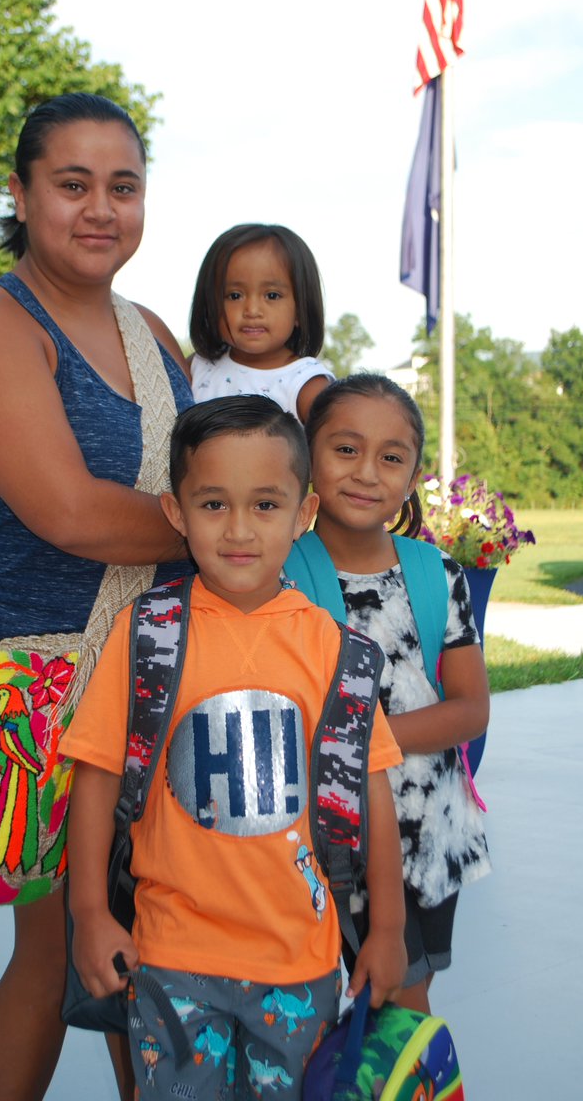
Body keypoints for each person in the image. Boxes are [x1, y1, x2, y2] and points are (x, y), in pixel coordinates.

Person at [0, 92, 194, 1101]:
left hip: (157, 681)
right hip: (41, 696)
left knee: (157, 946)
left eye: (121, 187)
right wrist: (236, 530)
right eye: (71, 183)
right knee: (52, 958)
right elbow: (71, 515)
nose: (100, 208)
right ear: (22, 191)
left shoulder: (151, 330)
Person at [61, 396, 408, 1100]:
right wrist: (91, 914)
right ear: (175, 513)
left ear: (303, 514)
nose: (240, 530)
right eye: (213, 505)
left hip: (301, 965)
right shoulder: (149, 633)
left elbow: (371, 792)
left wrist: (388, 930)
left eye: (266, 504)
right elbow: (96, 775)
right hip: (170, 958)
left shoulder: (336, 652)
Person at [300, 374, 491, 1015]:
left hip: (429, 835)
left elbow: (470, 708)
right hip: (325, 846)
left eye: (391, 457)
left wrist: (358, 742)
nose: (366, 472)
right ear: (307, 457)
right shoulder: (279, 577)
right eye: (345, 449)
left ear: (412, 480)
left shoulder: (438, 575)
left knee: (405, 1005)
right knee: (315, 1016)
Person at [188, 223, 334, 421]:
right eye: (234, 295)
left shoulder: (306, 383)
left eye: (272, 295)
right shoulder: (198, 368)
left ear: (301, 309)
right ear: (209, 305)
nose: (252, 311)